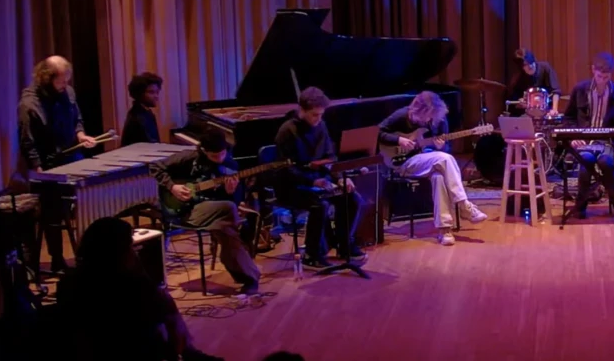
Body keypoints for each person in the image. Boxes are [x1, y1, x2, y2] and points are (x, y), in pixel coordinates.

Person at [55, 217, 222, 361]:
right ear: (121, 251)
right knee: (168, 314)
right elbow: (164, 328)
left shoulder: (66, 282)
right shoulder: (134, 286)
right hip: (134, 352)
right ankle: (189, 353)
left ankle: (189, 353)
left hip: (86, 353)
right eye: (130, 246)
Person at [149, 129, 260, 294]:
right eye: (214, 156)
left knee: (227, 223)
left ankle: (249, 278)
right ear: (203, 151)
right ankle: (249, 277)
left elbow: (231, 200)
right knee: (228, 215)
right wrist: (173, 187)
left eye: (222, 154)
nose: (220, 158)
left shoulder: (230, 165)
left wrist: (231, 193)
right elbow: (154, 166)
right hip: (185, 209)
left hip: (213, 210)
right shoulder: (188, 158)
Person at [16, 56, 99, 272]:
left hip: (70, 157)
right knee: (52, 212)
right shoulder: (29, 103)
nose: (65, 86)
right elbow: (27, 139)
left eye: (67, 81)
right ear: (46, 78)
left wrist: (80, 134)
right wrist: (37, 167)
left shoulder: (67, 93)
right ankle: (57, 258)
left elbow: (77, 118)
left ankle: (91, 256)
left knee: (89, 198)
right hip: (47, 163)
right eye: (61, 82)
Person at [379, 91, 488, 246]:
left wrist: (442, 147)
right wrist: (399, 139)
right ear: (420, 111)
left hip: (426, 159)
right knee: (444, 159)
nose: (431, 119)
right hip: (401, 161)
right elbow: (379, 133)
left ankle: (444, 230)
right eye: (428, 115)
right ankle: (464, 205)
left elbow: (445, 152)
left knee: (439, 176)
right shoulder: (402, 115)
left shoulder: (439, 120)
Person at [274, 87, 364, 267]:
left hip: (319, 181)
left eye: (321, 114)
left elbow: (330, 156)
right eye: (314, 115)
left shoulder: (321, 126)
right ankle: (311, 255)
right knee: (319, 204)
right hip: (292, 186)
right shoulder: (287, 131)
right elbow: (286, 169)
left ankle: (344, 245)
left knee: (352, 198)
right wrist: (312, 181)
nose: (319, 119)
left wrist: (339, 177)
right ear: (302, 110)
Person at [562, 53, 614, 219]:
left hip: (606, 142)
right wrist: (573, 136)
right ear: (593, 70)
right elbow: (568, 118)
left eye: (606, 77)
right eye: (599, 76)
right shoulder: (580, 90)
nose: (602, 80)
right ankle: (580, 207)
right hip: (584, 141)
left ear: (611, 74)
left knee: (606, 162)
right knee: (586, 160)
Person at [506, 48, 561, 115]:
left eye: (531, 62)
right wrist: (520, 103)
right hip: (527, 114)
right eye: (526, 64)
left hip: (547, 110)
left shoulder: (545, 68)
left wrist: (554, 110)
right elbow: (514, 100)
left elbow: (556, 91)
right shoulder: (518, 78)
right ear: (521, 67)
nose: (530, 66)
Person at [122, 72, 163, 146]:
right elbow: (150, 144)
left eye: (157, 92)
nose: (156, 96)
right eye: (151, 92)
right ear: (139, 93)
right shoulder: (137, 117)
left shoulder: (147, 113)